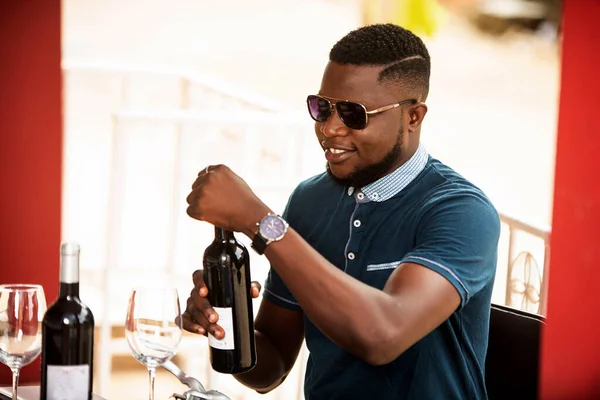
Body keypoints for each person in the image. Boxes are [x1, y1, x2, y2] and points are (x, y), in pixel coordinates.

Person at [183, 23, 500, 400]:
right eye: (322, 108)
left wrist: (258, 220)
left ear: (413, 117)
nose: (330, 128)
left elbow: (384, 335)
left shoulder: (461, 211)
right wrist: (226, 325)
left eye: (354, 114)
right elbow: (271, 369)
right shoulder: (310, 201)